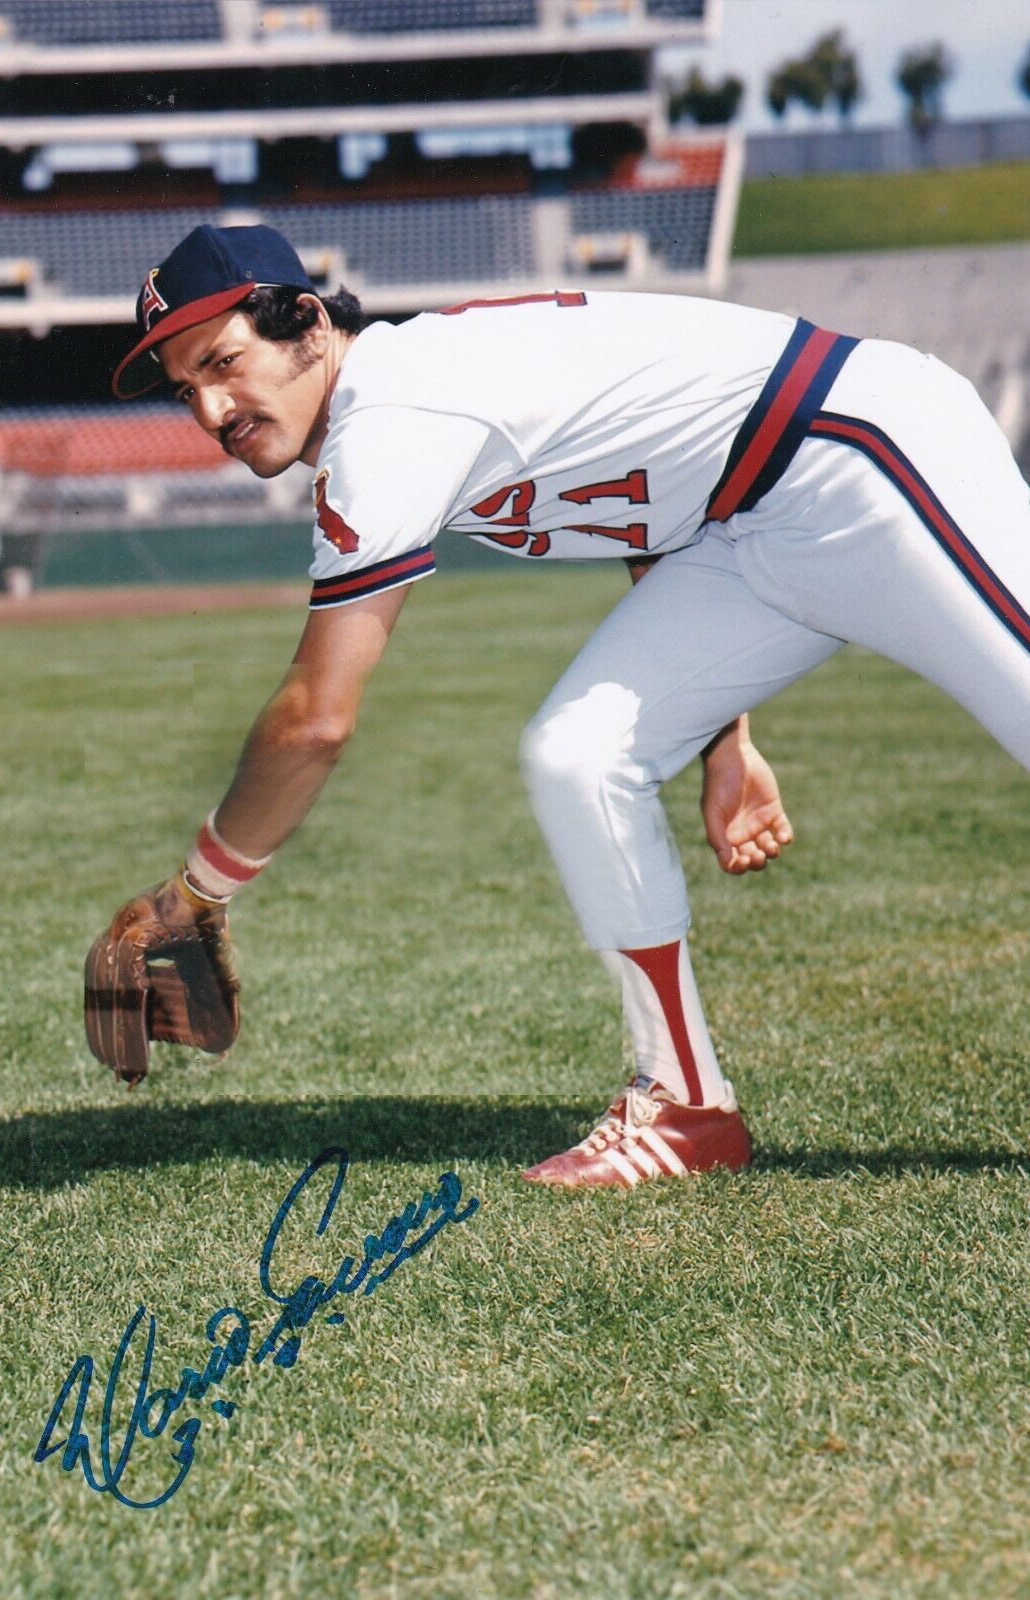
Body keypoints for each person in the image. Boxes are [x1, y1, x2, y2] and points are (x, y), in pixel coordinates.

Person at [89, 221, 1030, 1189]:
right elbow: (659, 483)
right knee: (580, 755)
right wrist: (723, 738)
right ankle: (686, 1103)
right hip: (744, 527)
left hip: (858, 450)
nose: (209, 407)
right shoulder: (397, 402)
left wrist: (194, 894)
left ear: (309, 324)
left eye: (222, 361)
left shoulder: (391, 416)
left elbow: (315, 719)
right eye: (184, 387)